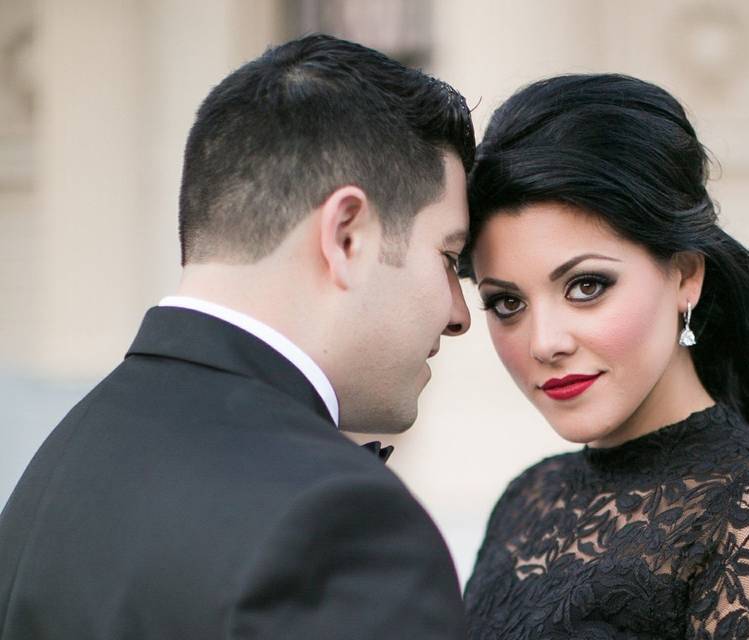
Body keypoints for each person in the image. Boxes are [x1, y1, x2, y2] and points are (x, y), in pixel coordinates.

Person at [0, 34, 475, 639]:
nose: (460, 313)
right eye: (448, 257)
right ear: (347, 235)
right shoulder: (341, 523)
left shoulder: (59, 463)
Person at [460, 74, 749, 639]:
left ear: (685, 274)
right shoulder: (527, 499)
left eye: (586, 286)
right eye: (507, 302)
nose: (544, 342)